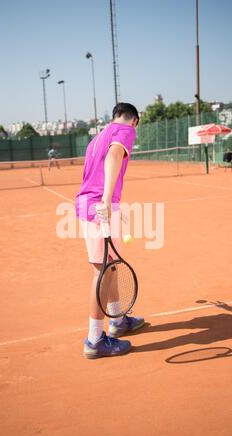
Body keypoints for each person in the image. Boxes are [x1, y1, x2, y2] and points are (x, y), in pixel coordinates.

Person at [76, 103, 145, 359]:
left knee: (111, 265)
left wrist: (111, 202)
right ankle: (94, 340)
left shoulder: (97, 138)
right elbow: (116, 156)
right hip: (99, 206)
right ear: (134, 120)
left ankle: (118, 321)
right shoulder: (125, 130)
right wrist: (106, 201)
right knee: (102, 271)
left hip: (96, 204)